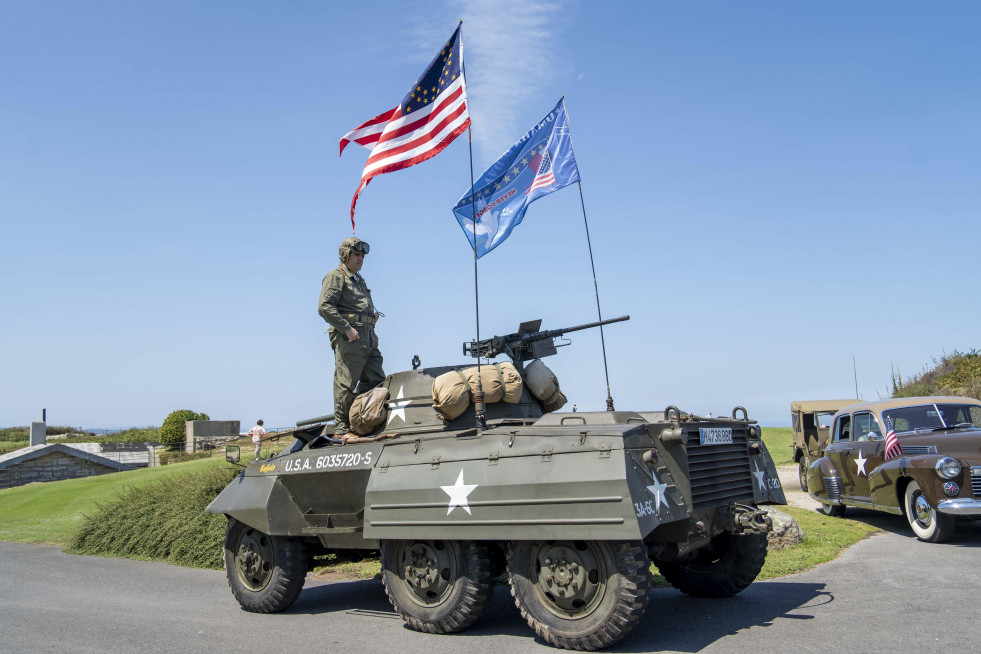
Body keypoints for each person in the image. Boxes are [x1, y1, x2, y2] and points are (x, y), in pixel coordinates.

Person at [318, 237, 385, 442]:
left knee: (376, 381)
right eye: (356, 255)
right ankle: (342, 428)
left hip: (367, 336)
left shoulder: (359, 280)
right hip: (351, 337)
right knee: (346, 383)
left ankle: (366, 421)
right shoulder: (336, 276)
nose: (361, 259)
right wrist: (346, 329)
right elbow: (324, 306)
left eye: (362, 256)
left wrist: (371, 333)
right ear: (345, 255)